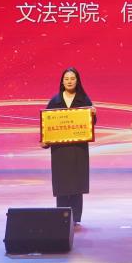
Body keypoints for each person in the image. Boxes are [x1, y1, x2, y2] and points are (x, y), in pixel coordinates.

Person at [44, 67, 95, 226]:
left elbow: (91, 125)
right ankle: (62, 216)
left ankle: (76, 218)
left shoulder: (84, 100)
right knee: (62, 183)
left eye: (72, 78)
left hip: (78, 149)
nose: (69, 81)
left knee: (76, 183)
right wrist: (45, 141)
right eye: (66, 79)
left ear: (77, 81)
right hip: (60, 150)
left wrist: (93, 115)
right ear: (62, 81)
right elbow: (47, 125)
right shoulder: (55, 101)